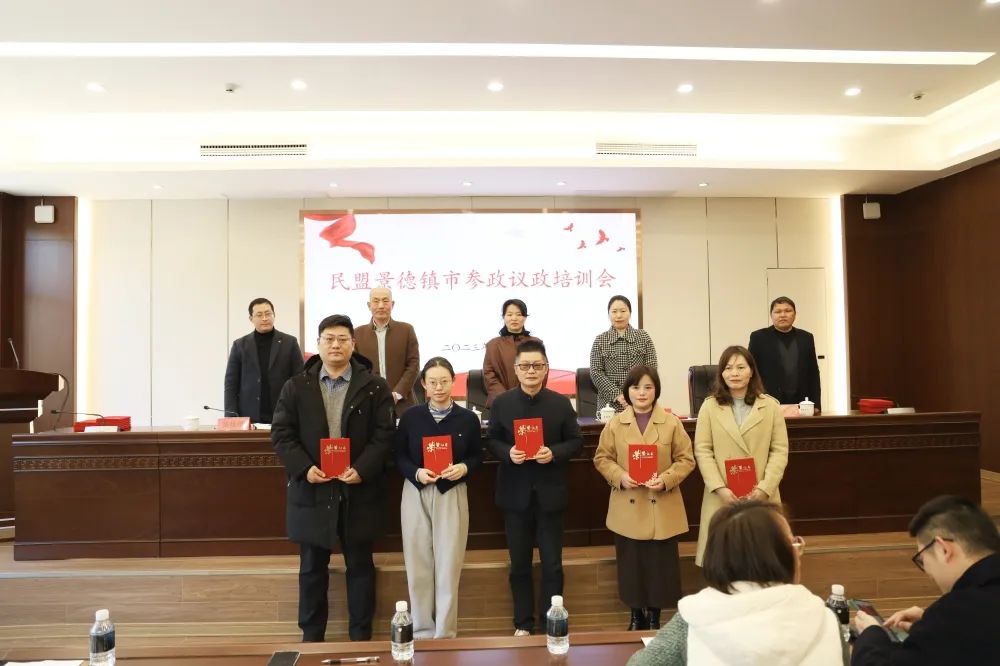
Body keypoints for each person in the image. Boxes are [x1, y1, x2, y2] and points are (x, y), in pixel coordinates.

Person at [270, 314, 395, 643]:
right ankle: (312, 639)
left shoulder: (375, 386)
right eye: (329, 339)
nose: (335, 345)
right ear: (318, 344)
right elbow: (282, 433)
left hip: (359, 490)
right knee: (312, 569)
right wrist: (303, 468)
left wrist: (363, 468)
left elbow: (385, 435)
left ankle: (361, 636)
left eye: (342, 339)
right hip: (314, 489)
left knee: (361, 567)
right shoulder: (297, 386)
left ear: (353, 344)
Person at [626, 500, 848, 666]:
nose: (798, 555)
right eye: (794, 545)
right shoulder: (824, 619)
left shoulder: (696, 618)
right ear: (776, 556)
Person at [486, 339, 582, 635]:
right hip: (515, 496)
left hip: (550, 494)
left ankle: (552, 621)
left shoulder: (560, 403)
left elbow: (576, 442)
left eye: (537, 365)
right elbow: (491, 440)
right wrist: (508, 452)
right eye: (525, 365)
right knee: (519, 565)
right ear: (516, 369)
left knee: (552, 564)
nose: (531, 371)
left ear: (546, 368)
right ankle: (523, 623)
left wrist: (553, 452)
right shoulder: (502, 403)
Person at [593, 365, 694, 631]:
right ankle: (636, 615)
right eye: (636, 387)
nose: (642, 393)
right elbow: (602, 458)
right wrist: (620, 476)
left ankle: (655, 617)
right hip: (628, 504)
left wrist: (667, 479)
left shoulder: (671, 423)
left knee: (659, 566)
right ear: (627, 391)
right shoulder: (616, 423)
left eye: (648, 387)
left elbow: (686, 459)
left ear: (656, 390)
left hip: (661, 503)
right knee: (631, 565)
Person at [851, 495, 1000, 665]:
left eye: (921, 559)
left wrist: (870, 634)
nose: (928, 573)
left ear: (943, 549)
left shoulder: (953, 614)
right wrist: (928, 626)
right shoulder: (960, 617)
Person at [394, 356, 483, 639]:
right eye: (432, 382)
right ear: (423, 384)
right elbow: (398, 455)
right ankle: (422, 630)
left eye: (444, 381)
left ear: (453, 381)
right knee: (418, 563)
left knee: (448, 564)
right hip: (416, 491)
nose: (439, 387)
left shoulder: (468, 418)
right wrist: (416, 472)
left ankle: (444, 633)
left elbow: (477, 456)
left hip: (451, 492)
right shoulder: (411, 417)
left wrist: (463, 468)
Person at [693, 345, 788, 566]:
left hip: (760, 494)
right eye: (728, 368)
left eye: (740, 367)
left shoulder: (771, 406)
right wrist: (720, 488)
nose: (734, 373)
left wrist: (764, 488)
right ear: (721, 373)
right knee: (725, 562)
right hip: (723, 495)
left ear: (751, 371)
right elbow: (703, 450)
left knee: (762, 562)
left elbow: (779, 450)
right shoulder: (709, 407)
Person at [224, 297, 304, 423]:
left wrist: (301, 412)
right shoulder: (240, 345)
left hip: (284, 412)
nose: (265, 318)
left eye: (268, 314)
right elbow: (231, 384)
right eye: (259, 315)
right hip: (249, 415)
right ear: (251, 318)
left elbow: (299, 379)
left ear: (274, 315)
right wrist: (230, 417)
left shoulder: (290, 342)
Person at [353, 287, 421, 413]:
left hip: (403, 403)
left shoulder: (406, 330)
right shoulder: (357, 333)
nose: (381, 306)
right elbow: (357, 369)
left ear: (392, 304)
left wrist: (398, 393)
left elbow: (414, 364)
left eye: (385, 301)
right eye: (376, 301)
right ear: (369, 305)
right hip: (370, 403)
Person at [748, 296, 821, 409]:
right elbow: (751, 371)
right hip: (768, 401)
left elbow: (813, 373)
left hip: (802, 402)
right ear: (771, 315)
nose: (783, 315)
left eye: (787, 311)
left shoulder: (806, 338)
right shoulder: (758, 337)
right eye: (778, 311)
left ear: (795, 314)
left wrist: (816, 404)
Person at [589, 295, 658, 413]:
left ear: (630, 313)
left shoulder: (643, 337)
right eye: (614, 311)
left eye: (623, 311)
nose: (619, 315)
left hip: (640, 401)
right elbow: (596, 372)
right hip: (609, 406)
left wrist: (636, 393)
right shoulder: (600, 340)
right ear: (608, 314)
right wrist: (618, 395)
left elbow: (651, 369)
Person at [482, 298, 544, 406]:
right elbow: (489, 375)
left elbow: (542, 370)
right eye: (509, 314)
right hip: (501, 402)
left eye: (519, 314)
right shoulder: (492, 345)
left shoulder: (536, 343)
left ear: (525, 317)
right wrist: (506, 398)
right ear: (503, 317)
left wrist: (530, 393)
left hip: (531, 400)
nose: (514, 318)